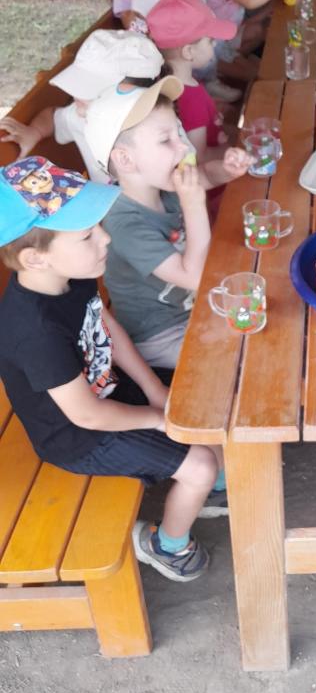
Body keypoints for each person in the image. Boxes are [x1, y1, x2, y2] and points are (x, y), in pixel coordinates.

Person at [0, 155, 223, 582]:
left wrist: (155, 392)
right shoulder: (35, 330)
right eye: (88, 235)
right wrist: (157, 419)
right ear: (35, 259)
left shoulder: (70, 276)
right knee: (199, 465)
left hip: (108, 391)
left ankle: (207, 485)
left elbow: (104, 325)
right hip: (77, 436)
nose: (105, 238)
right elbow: (86, 416)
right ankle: (167, 545)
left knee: (199, 404)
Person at [82, 77, 248, 368]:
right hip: (161, 335)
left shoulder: (163, 183)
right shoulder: (123, 223)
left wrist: (226, 169)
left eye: (178, 132)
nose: (183, 147)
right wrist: (193, 204)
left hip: (197, 304)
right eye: (165, 140)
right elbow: (194, 277)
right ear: (125, 160)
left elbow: (205, 176)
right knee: (242, 357)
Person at [0, 30, 164, 182]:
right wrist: (35, 132)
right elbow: (52, 116)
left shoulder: (162, 131)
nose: (77, 95)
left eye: (92, 89)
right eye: (78, 83)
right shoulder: (82, 117)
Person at [145, 0, 242, 215]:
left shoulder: (175, 84)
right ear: (188, 51)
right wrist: (238, 148)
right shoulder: (190, 97)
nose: (215, 43)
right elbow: (200, 156)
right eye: (210, 40)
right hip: (214, 194)